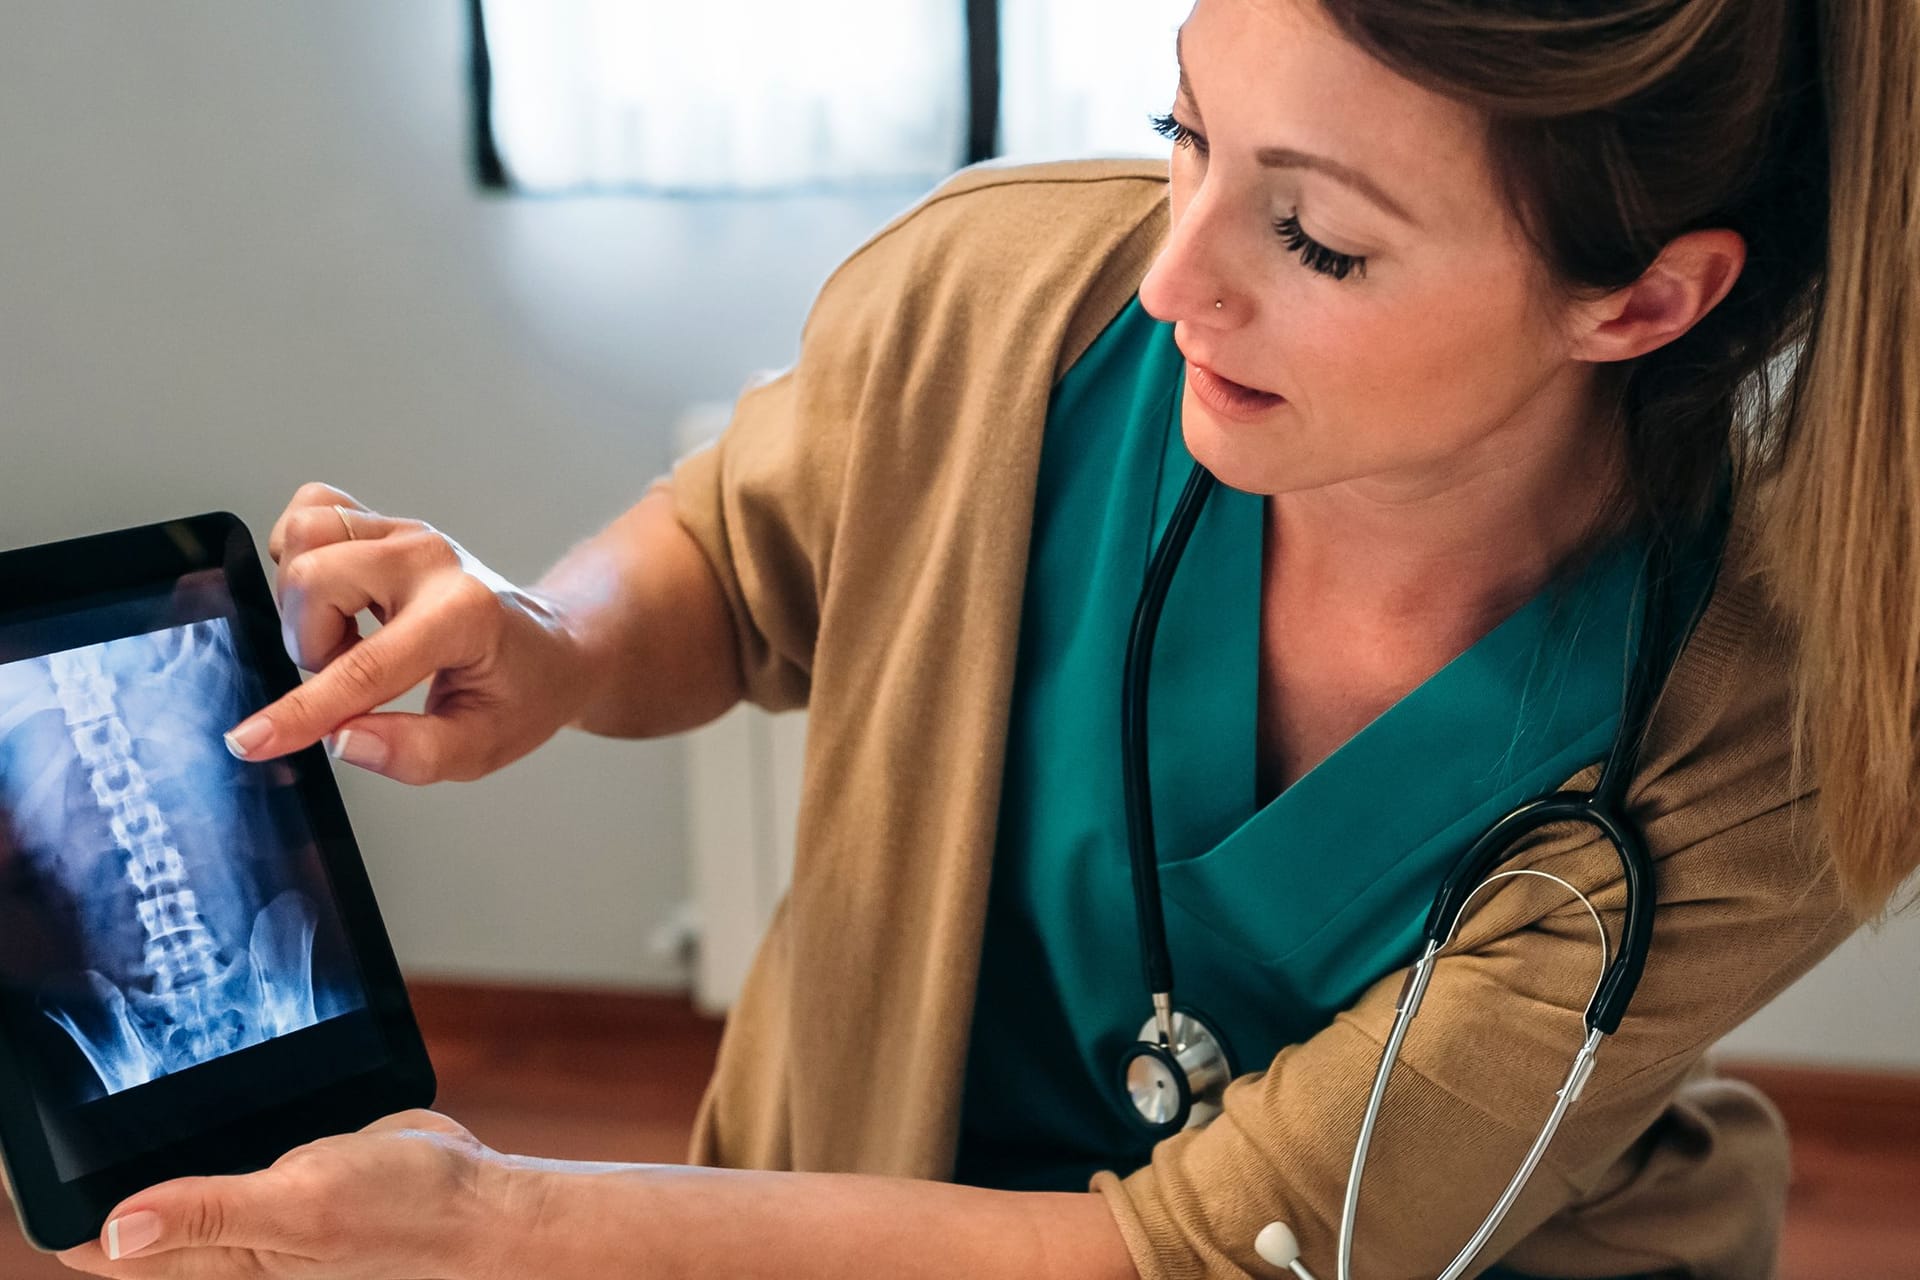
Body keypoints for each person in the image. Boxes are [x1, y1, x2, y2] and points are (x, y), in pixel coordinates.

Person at [56, 0, 1918, 1276]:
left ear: (1645, 298)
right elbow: (743, 545)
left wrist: (500, 1228)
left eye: (1319, 240)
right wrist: (549, 637)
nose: (1176, 272)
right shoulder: (1009, 300)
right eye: (1184, 135)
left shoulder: (1782, 718)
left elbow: (1190, 1253)